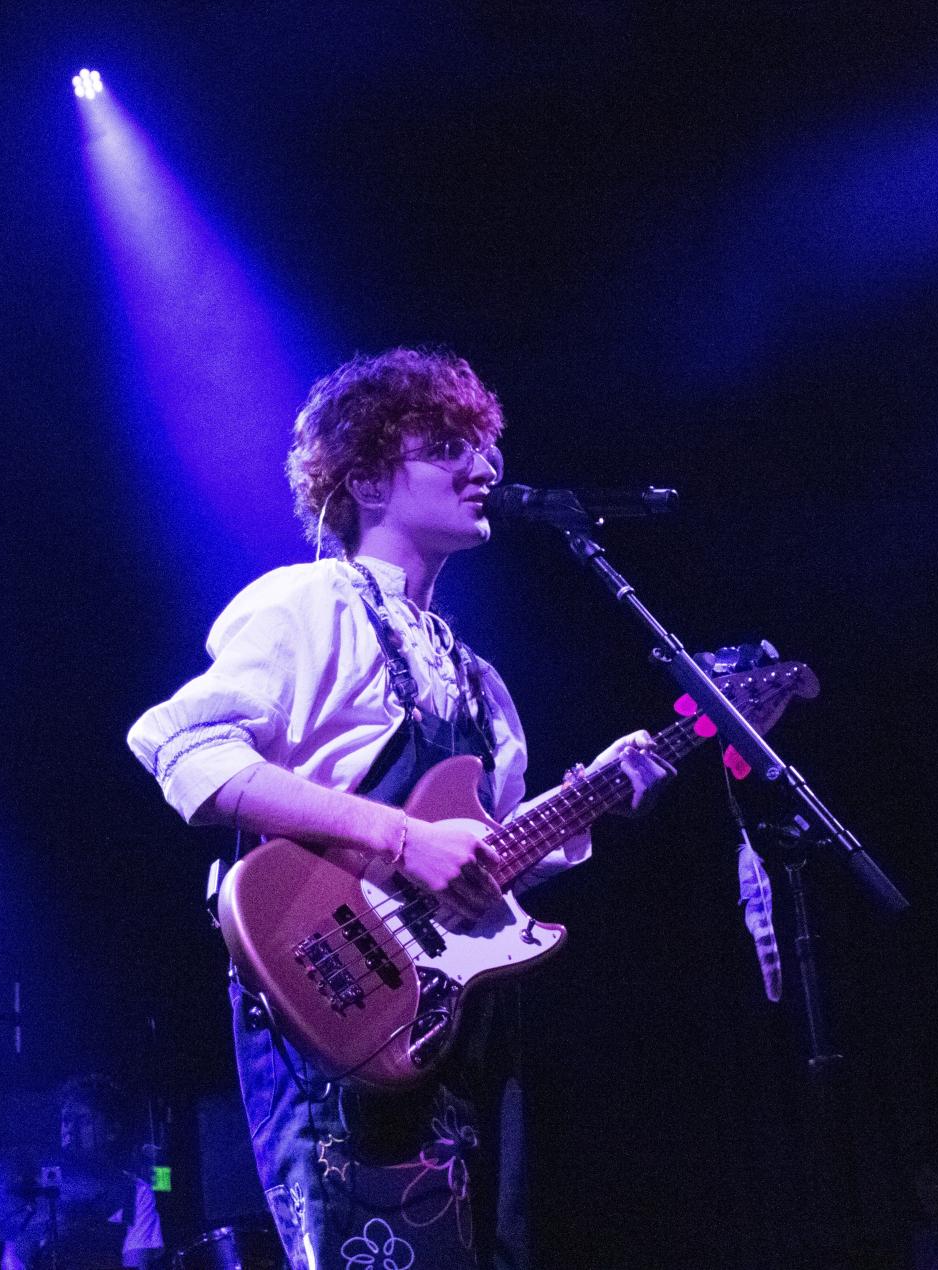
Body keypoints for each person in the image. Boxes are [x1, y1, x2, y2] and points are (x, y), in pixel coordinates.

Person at [127, 346, 674, 1269]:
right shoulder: (306, 604)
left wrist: (593, 796)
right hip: (327, 988)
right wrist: (399, 836)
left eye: (487, 446)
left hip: (455, 1017)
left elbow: (484, 863)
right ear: (371, 477)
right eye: (450, 445)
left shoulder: (480, 681)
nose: (486, 468)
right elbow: (179, 748)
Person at [1, 1074, 163, 1270]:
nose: (70, 1129)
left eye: (84, 1120)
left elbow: (135, 1264)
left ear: (112, 1130)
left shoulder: (136, 1192)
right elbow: (14, 1258)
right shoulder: (40, 1189)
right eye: (66, 1120)